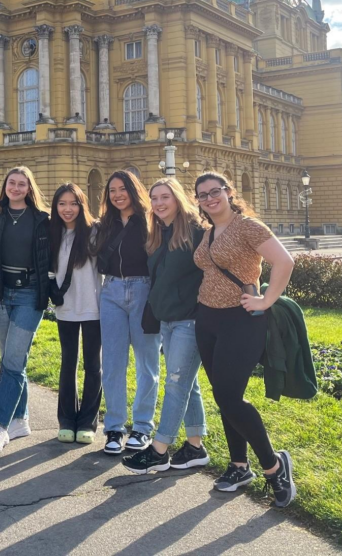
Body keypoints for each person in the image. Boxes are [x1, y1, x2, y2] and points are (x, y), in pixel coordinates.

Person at [192, 172, 298, 507]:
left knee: (229, 396)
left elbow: (284, 261)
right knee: (226, 397)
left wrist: (266, 301)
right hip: (207, 319)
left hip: (241, 320)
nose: (210, 198)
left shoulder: (247, 226)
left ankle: (274, 465)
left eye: (215, 192)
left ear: (228, 193)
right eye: (203, 195)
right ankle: (239, 466)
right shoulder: (209, 232)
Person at [123, 177, 210, 474]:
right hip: (168, 319)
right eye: (155, 198)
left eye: (165, 197)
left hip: (190, 318)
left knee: (175, 382)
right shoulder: (160, 232)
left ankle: (159, 450)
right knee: (188, 383)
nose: (159, 203)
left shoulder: (197, 232)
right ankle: (195, 447)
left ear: (177, 198)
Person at [0, 166, 51, 454]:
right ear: (5, 185)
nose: (17, 188)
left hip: (29, 293)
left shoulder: (42, 219)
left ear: (29, 188)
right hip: (0, 294)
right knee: (13, 360)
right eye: (12, 183)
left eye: (22, 184)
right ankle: (21, 419)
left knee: (11, 361)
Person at [96, 170, 159, 456]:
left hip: (143, 290)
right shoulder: (105, 224)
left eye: (122, 189)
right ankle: (114, 428)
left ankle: (143, 426)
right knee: (112, 363)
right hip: (111, 292)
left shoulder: (150, 221)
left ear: (133, 190)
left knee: (147, 363)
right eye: (112, 191)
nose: (117, 195)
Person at [49, 183, 102, 445]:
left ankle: (88, 421)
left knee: (93, 365)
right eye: (62, 204)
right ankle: (67, 420)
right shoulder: (51, 232)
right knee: (68, 363)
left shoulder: (94, 232)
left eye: (73, 203)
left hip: (94, 307)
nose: (67, 209)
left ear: (82, 206)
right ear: (55, 206)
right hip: (65, 307)